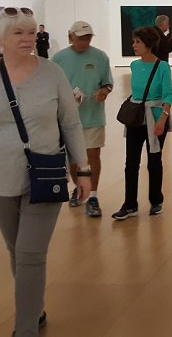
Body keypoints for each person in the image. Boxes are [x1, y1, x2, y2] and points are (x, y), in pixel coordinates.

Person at [0, 7, 90, 337]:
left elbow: (70, 123)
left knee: (30, 254)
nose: (28, 38)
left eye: (31, 31)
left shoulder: (52, 73)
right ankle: (34, 309)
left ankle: (25, 328)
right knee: (17, 250)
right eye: (18, 32)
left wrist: (83, 169)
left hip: (45, 175)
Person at [52, 21, 114, 217]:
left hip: (93, 117)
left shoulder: (100, 57)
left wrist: (104, 91)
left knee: (92, 156)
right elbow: (50, 86)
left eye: (87, 38)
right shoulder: (58, 59)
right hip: (67, 120)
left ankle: (93, 196)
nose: (84, 42)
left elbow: (108, 83)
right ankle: (79, 188)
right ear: (70, 37)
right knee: (72, 159)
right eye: (80, 38)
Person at [112, 27, 172, 220]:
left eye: (137, 42)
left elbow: (168, 95)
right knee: (131, 163)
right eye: (134, 41)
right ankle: (130, 204)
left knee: (154, 162)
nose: (134, 45)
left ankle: (156, 200)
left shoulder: (162, 67)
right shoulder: (134, 66)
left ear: (148, 44)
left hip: (155, 119)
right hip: (136, 119)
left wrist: (163, 119)